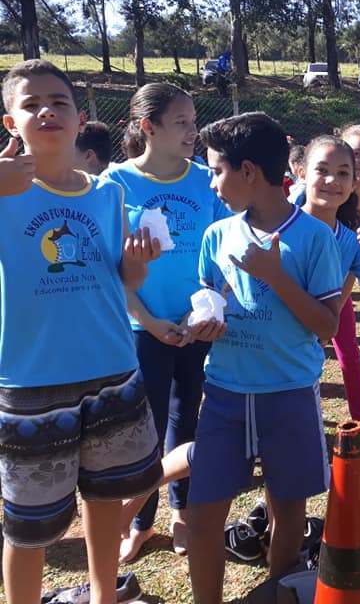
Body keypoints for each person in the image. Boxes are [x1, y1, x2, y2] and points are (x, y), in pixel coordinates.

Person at [0, 59, 163, 604]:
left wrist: (136, 265)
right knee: (29, 527)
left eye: (58, 102)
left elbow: (121, 281)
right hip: (31, 379)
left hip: (112, 369)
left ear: (80, 117)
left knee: (106, 498)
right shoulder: (3, 189)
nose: (47, 111)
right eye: (31, 104)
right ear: (11, 123)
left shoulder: (107, 194)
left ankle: (103, 595)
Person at [187, 112, 342, 604]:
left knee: (288, 512)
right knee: (203, 513)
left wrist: (275, 276)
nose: (213, 183)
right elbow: (205, 300)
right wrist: (200, 322)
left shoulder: (314, 237)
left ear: (249, 171)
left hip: (289, 395)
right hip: (224, 395)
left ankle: (277, 593)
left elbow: (327, 326)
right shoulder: (217, 235)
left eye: (217, 170)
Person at [103, 83, 231, 563]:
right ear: (148, 127)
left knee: (187, 417)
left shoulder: (206, 181)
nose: (193, 131)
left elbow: (227, 252)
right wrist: (150, 321)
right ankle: (140, 521)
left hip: (197, 326)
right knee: (146, 427)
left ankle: (183, 511)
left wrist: (204, 311)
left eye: (194, 121)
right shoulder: (114, 184)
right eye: (181, 122)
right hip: (141, 328)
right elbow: (108, 267)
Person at [300, 135, 360, 438]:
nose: (333, 180)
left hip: (308, 352)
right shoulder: (283, 224)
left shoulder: (349, 238)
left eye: (343, 173)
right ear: (302, 173)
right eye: (322, 170)